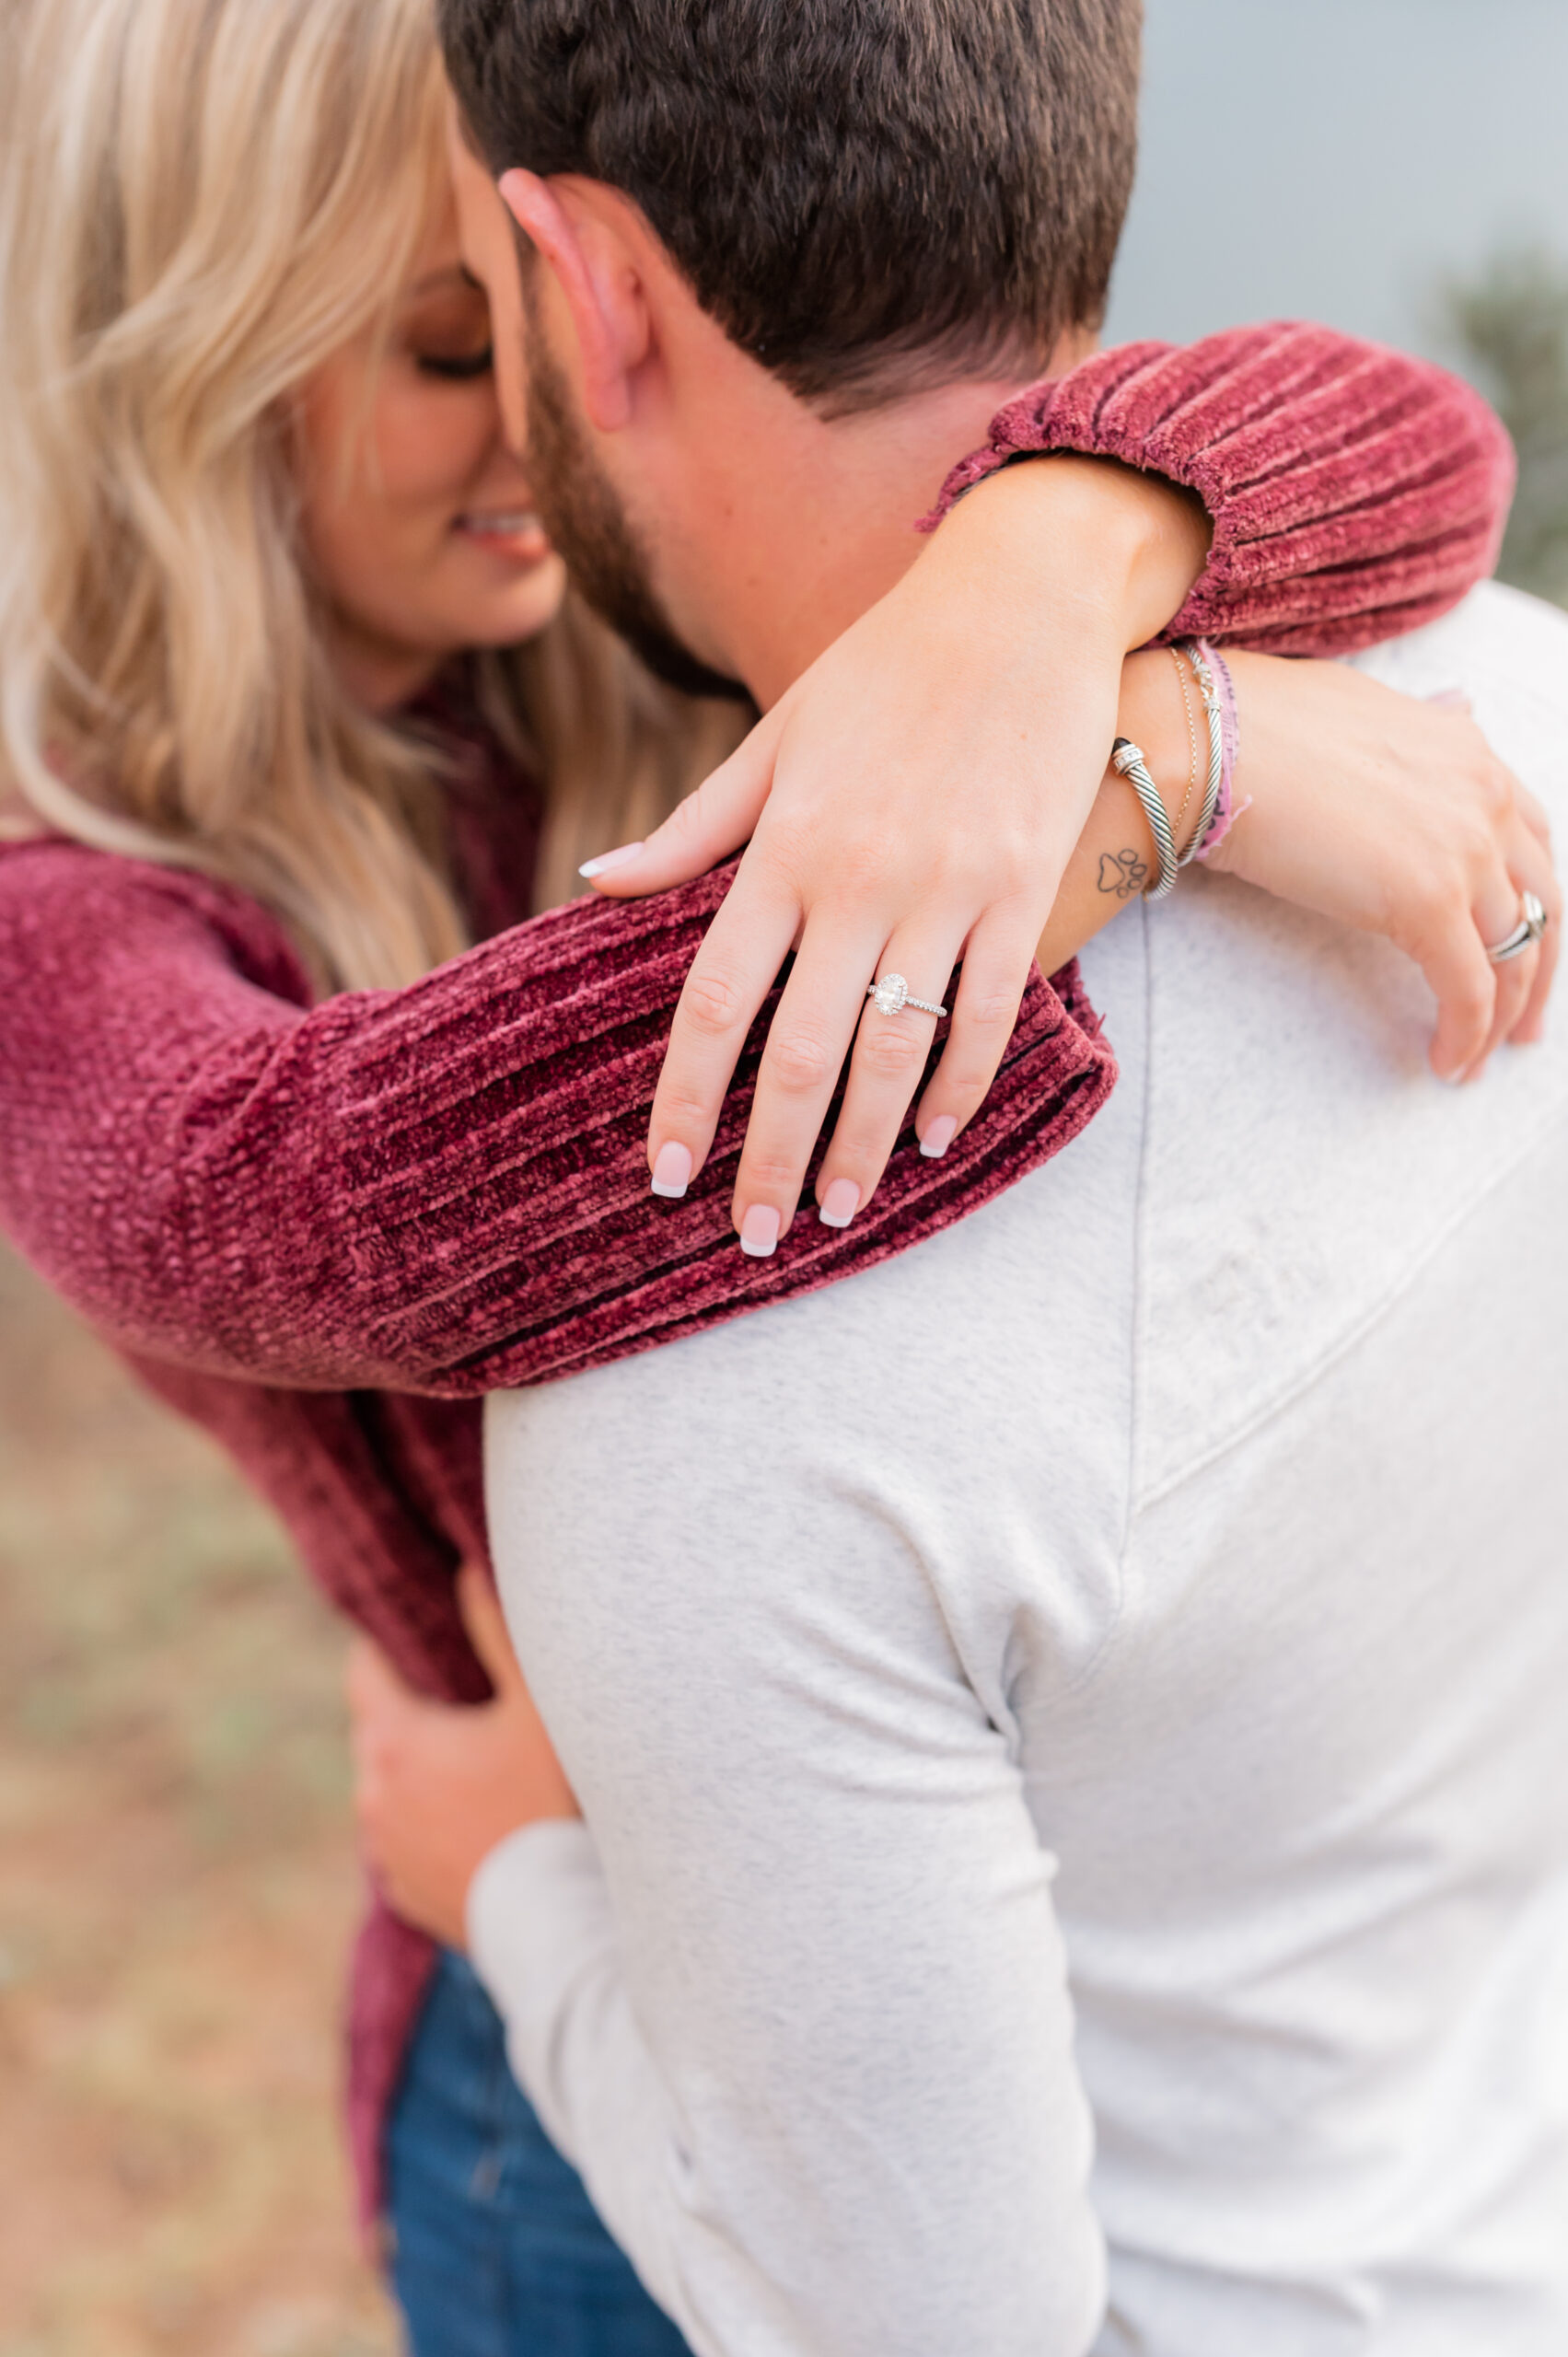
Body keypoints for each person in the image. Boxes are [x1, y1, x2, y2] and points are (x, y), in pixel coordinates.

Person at [0, 0, 1544, 2350]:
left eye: (516, 330)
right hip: (552, 1977)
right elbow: (293, 1194)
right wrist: (1139, 779)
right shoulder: (61, 915)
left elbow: (1423, 437)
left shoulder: (611, 623)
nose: (530, 418)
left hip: (855, 1917)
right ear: (196, 350)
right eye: (443, 348)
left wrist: (1050, 580)